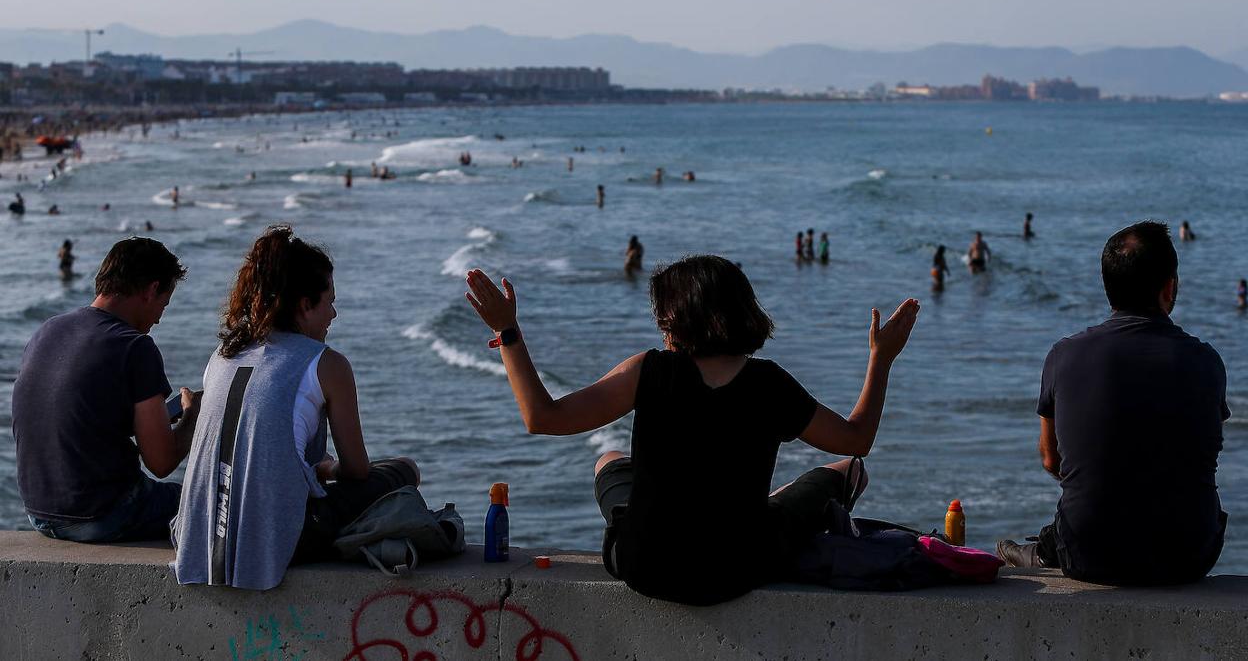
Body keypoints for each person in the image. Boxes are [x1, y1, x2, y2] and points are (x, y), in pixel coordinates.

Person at [463, 257, 919, 605]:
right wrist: (882, 358)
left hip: (643, 566)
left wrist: (507, 330)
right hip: (738, 570)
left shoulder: (649, 371)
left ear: (675, 320)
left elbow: (542, 417)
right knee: (846, 468)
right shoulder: (769, 383)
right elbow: (857, 440)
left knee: (608, 461)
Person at [173, 226, 421, 590]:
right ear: (305, 304)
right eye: (329, 301)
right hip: (274, 543)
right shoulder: (327, 364)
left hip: (197, 539)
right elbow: (356, 470)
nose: (334, 313)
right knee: (403, 471)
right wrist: (328, 468)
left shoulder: (222, 356)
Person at [997, 221, 1229, 585]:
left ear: (1108, 288)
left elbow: (1050, 459)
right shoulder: (1206, 361)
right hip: (1189, 555)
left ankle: (1044, 549)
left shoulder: (1064, 356)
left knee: (1079, 510)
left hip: (1090, 555)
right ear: (1169, 287)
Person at [12, 237, 196, 542]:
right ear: (151, 290)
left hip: (40, 513)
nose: (159, 318)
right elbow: (161, 463)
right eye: (164, 304)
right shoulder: (135, 346)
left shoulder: (48, 329)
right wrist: (192, 417)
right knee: (218, 505)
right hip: (101, 514)